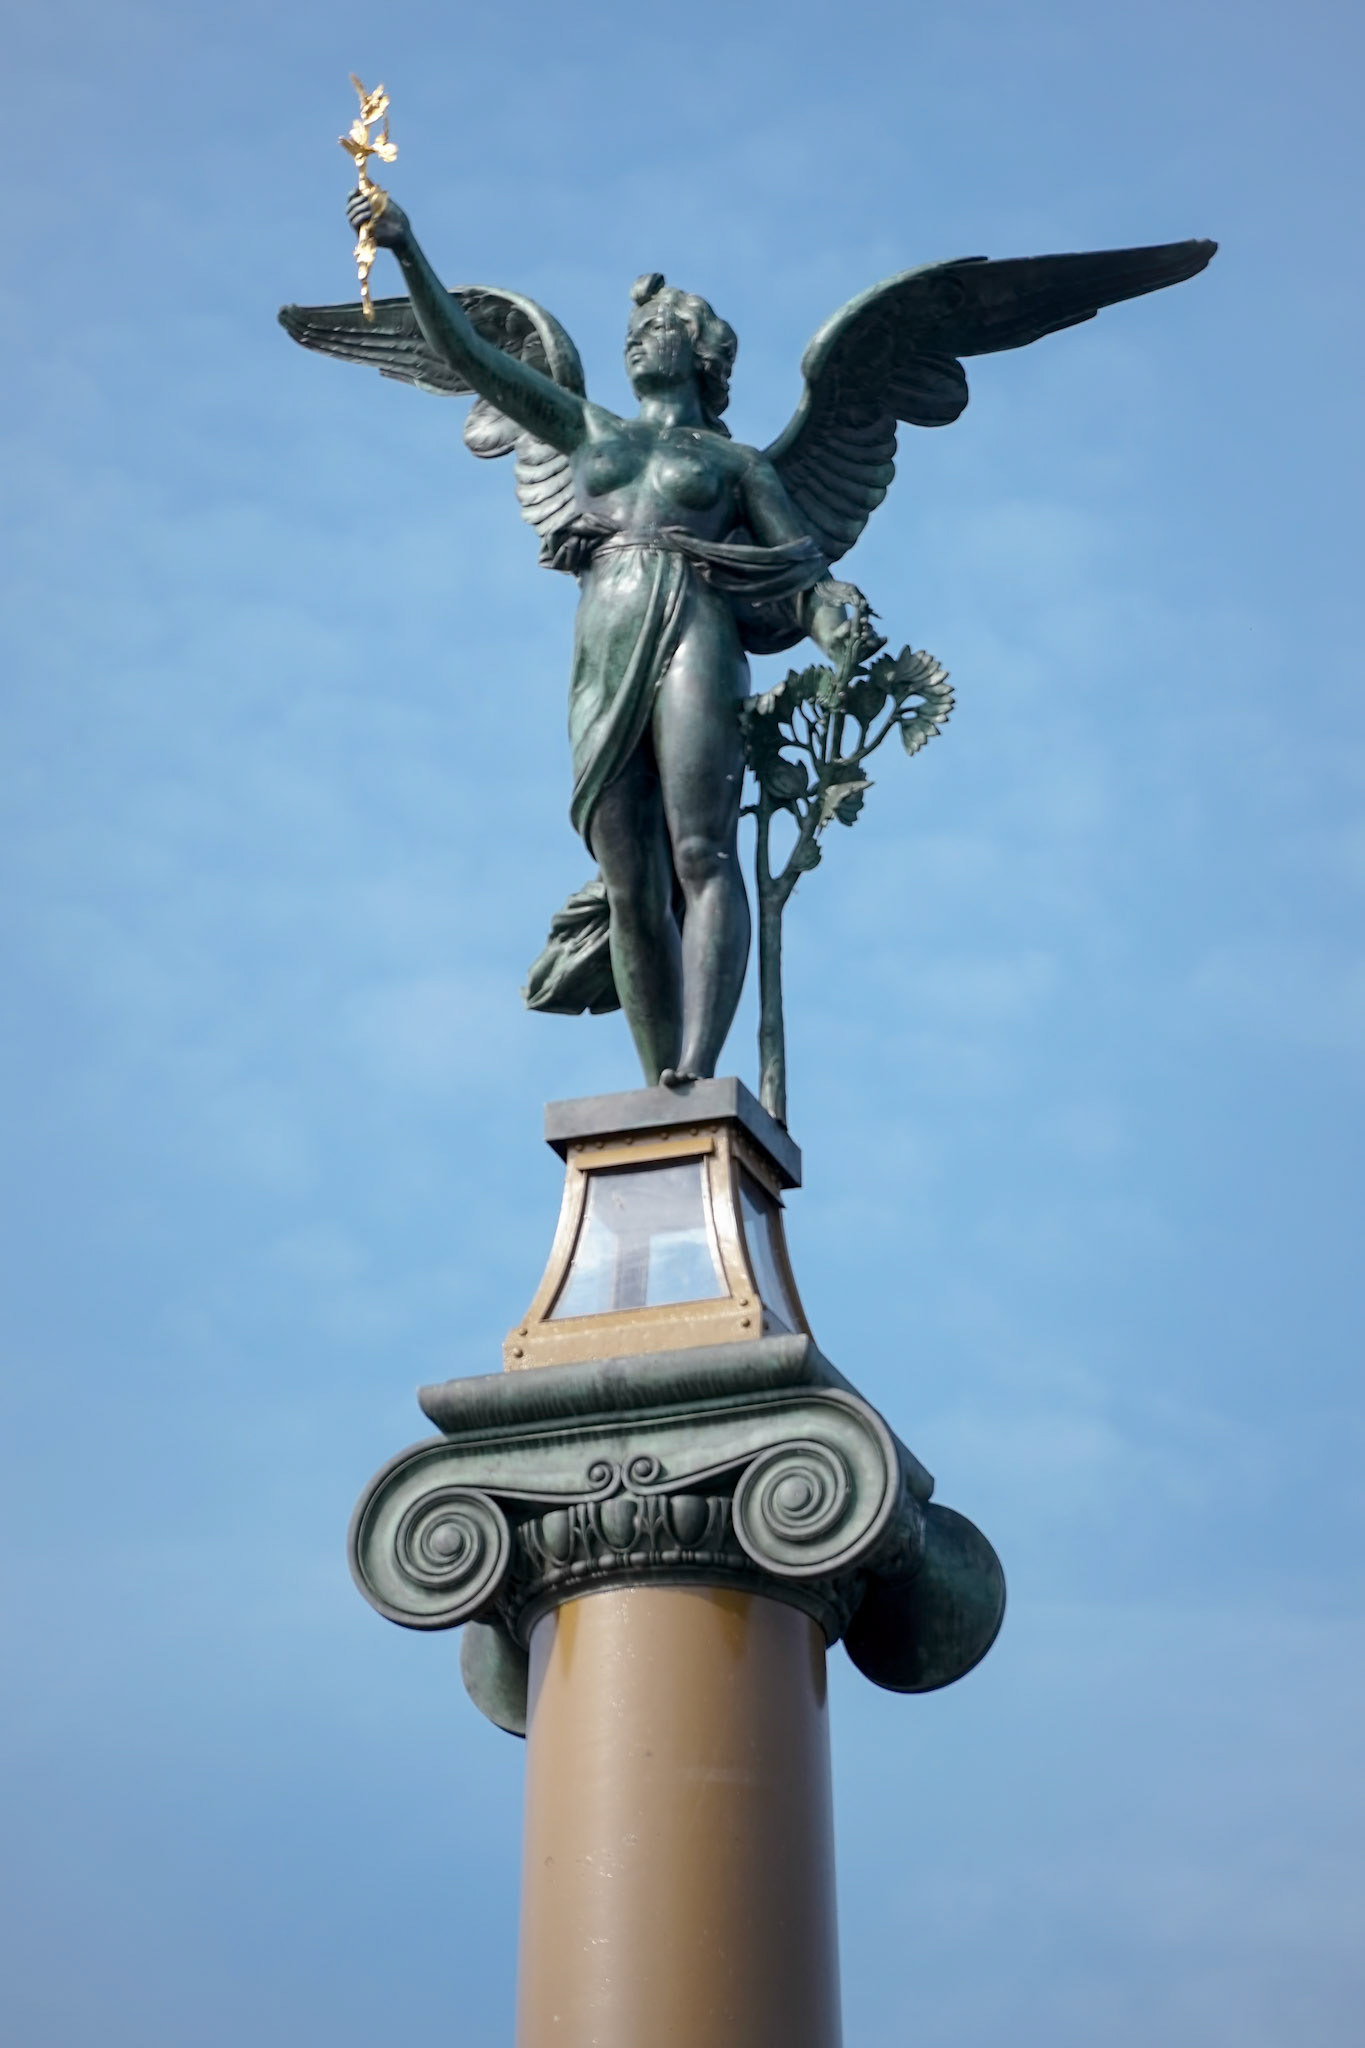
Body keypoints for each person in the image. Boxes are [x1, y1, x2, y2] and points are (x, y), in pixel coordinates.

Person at [345, 190, 877, 1085]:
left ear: (702, 354)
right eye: (635, 328)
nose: (638, 338)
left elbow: (798, 571)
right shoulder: (586, 428)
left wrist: (836, 624)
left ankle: (697, 1067)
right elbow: (469, 353)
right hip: (605, 639)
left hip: (695, 624)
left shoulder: (736, 464)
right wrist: (406, 250)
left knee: (699, 849)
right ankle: (655, 1078)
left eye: (660, 326)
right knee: (629, 878)